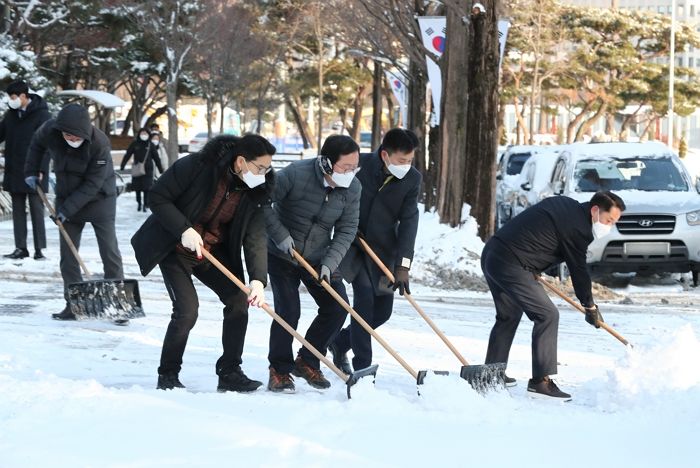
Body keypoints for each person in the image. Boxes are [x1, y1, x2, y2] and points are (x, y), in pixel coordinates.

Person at [131, 134, 276, 392]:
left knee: (237, 301)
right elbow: (158, 197)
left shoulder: (255, 191)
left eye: (268, 169)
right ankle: (168, 374)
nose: (264, 174)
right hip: (175, 245)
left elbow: (255, 236)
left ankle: (229, 372)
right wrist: (183, 229)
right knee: (187, 310)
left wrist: (257, 279)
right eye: (260, 168)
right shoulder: (198, 167)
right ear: (241, 162)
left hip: (212, 249)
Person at [481, 191, 625, 400]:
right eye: (608, 220)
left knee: (509, 316)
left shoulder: (565, 204)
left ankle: (491, 374)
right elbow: (578, 269)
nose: (609, 226)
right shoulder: (579, 228)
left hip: (494, 253)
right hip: (512, 264)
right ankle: (541, 382)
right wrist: (589, 306)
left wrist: (533, 261)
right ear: (595, 210)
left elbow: (540, 232)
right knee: (547, 315)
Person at [265, 134, 361, 393]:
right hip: (282, 253)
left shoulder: (353, 188)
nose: (350, 173)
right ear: (327, 163)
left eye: (355, 167)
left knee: (337, 306)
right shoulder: (295, 174)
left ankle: (307, 361)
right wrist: (279, 235)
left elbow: (347, 229)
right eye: (345, 167)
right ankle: (279, 370)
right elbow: (262, 203)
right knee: (288, 311)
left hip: (319, 256)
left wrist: (329, 263)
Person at [329, 128, 422, 374]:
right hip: (353, 244)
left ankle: (340, 343)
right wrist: (345, 225)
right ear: (384, 155)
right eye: (402, 161)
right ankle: (362, 368)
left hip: (382, 250)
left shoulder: (412, 179)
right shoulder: (360, 166)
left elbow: (409, 221)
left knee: (382, 312)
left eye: (410, 160)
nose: (407, 165)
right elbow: (337, 195)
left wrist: (403, 266)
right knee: (365, 301)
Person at [24, 103, 125, 320]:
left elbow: (92, 184)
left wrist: (66, 210)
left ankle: (118, 304)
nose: (70, 139)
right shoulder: (51, 130)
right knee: (68, 256)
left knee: (109, 251)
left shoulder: (100, 144)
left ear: (84, 133)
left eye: (74, 136)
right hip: (67, 195)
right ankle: (74, 305)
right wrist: (32, 170)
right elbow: (36, 144)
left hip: (100, 199)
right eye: (66, 135)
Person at [0, 80, 50, 260]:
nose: (11, 101)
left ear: (23, 96)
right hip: (14, 169)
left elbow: (47, 144)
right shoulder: (11, 115)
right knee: (18, 210)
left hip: (34, 170)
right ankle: (20, 247)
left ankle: (39, 249)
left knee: (37, 209)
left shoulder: (42, 115)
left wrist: (41, 168)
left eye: (13, 97)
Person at [120, 128, 164, 212]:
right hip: (137, 169)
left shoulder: (150, 145)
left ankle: (145, 204)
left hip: (148, 170)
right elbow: (128, 154)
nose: (144, 135)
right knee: (137, 188)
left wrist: (160, 169)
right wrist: (123, 165)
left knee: (147, 188)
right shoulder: (135, 144)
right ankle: (139, 203)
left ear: (148, 135)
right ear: (139, 134)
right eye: (142, 133)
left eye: (145, 133)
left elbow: (156, 158)